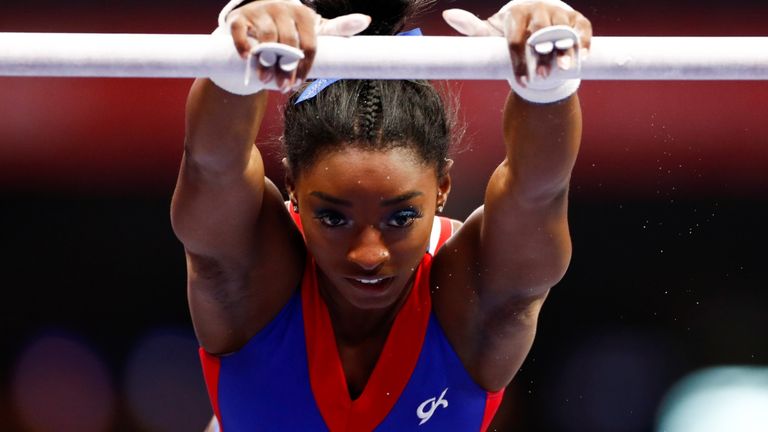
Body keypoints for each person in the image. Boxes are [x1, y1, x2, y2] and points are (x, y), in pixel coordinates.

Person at [170, 0, 592, 430]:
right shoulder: (254, 276)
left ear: (442, 187)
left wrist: (547, 78)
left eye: (400, 217)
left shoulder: (472, 299)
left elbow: (540, 190)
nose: (368, 254)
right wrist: (238, 47)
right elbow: (210, 164)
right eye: (334, 218)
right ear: (292, 186)